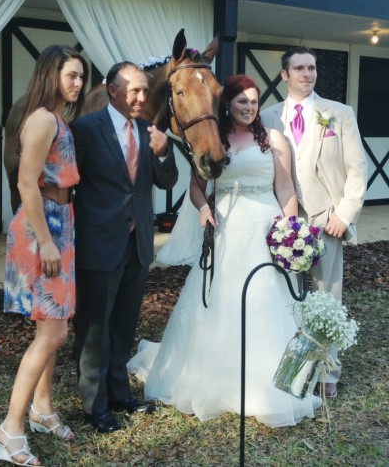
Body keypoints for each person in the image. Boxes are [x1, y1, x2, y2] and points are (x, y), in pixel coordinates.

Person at [127, 74, 321, 427]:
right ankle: (215, 377)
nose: (249, 107)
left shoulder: (274, 139)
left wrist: (290, 233)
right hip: (228, 230)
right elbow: (197, 187)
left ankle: (268, 381)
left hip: (267, 231)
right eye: (241, 101)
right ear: (227, 105)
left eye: (254, 101)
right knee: (222, 300)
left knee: (266, 300)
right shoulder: (216, 140)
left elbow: (286, 189)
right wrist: (203, 208)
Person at [71, 61, 178, 433]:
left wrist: (164, 153)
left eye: (145, 90)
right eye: (133, 90)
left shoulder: (151, 130)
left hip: (137, 245)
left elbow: (167, 182)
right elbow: (69, 184)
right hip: (99, 243)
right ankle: (93, 404)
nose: (141, 97)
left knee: (124, 323)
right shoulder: (84, 129)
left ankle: (119, 394)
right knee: (94, 327)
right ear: (112, 90)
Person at [0, 45, 87, 466]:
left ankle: (42, 407)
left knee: (54, 324)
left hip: (60, 221)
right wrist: (47, 240)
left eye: (81, 77)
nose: (77, 83)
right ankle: (10, 429)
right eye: (71, 75)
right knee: (53, 332)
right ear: (51, 74)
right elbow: (26, 183)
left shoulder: (56, 118)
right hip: (42, 226)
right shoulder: (44, 119)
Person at [260, 46, 368, 399]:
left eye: (312, 68)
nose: (308, 74)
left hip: (326, 220)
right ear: (285, 74)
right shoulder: (266, 116)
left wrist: (345, 214)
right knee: (286, 295)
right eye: (300, 68)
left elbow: (357, 170)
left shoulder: (338, 114)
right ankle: (289, 364)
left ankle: (327, 373)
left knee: (327, 296)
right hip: (284, 222)